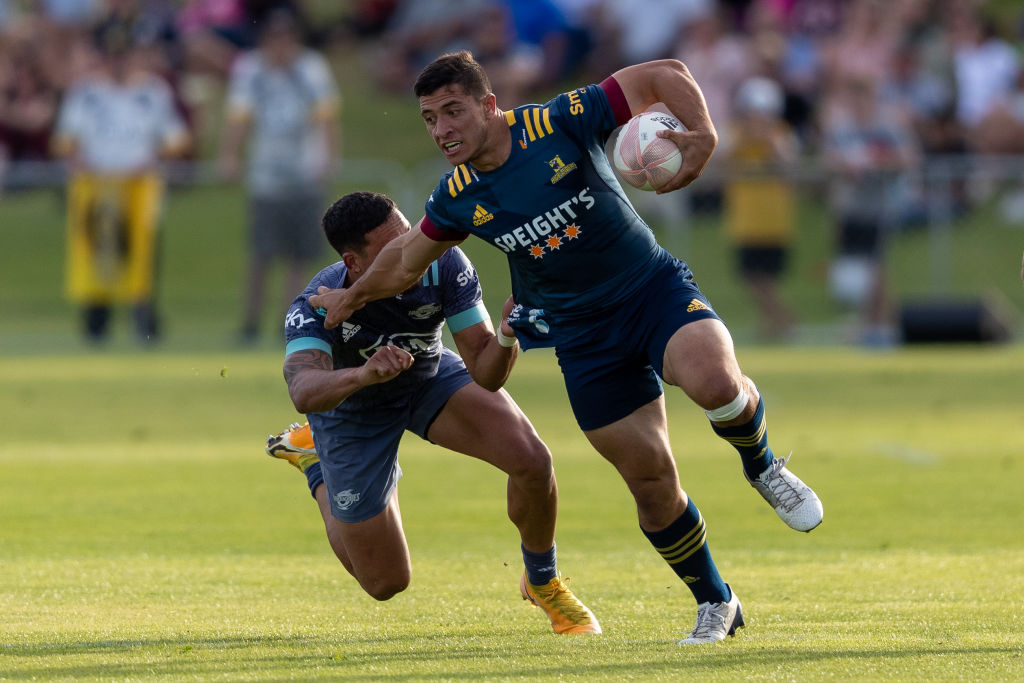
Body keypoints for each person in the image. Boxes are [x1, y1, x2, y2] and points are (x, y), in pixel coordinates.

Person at [307, 51, 824, 644]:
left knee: (713, 382)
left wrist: (703, 134)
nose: (442, 129)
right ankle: (718, 602)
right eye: (429, 118)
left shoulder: (557, 121)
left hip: (649, 291)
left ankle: (762, 467)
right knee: (651, 481)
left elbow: (664, 75)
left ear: (489, 105)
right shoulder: (455, 197)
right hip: (582, 338)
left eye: (453, 111)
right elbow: (401, 259)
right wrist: (353, 297)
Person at [270, 190, 600, 635]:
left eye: (408, 236)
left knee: (532, 460)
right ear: (353, 263)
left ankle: (543, 581)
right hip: (352, 409)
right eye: (393, 247)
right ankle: (316, 465)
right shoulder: (315, 304)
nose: (412, 252)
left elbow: (486, 372)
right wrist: (364, 375)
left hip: (428, 379)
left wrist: (506, 336)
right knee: (386, 582)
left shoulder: (444, 264)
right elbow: (304, 390)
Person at [51, 23, 190, 343]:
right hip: (98, 194)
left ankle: (145, 323)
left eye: (124, 55)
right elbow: (64, 139)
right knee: (97, 255)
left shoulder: (152, 92)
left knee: (141, 256)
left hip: (139, 193)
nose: (118, 62)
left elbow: (177, 138)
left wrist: (154, 157)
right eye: (112, 55)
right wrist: (76, 159)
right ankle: (96, 326)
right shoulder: (86, 93)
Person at [219, 7, 339, 344]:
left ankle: (289, 319)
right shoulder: (252, 69)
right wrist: (230, 154)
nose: (280, 46)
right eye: (274, 39)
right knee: (261, 253)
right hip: (266, 175)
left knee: (300, 255)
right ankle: (251, 322)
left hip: (304, 171)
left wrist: (328, 157)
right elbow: (239, 116)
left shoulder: (311, 68)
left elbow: (327, 115)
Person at [722, 75, 799, 341]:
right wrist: (747, 136)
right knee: (751, 276)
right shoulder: (735, 134)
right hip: (745, 220)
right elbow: (721, 153)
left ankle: (782, 321)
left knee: (766, 277)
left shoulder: (780, 134)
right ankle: (776, 322)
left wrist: (767, 139)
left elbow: (788, 160)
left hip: (774, 220)